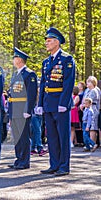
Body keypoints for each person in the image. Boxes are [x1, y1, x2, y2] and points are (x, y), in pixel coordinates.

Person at [38, 27, 75, 176]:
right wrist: (39, 104)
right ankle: (54, 164)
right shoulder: (46, 62)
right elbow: (43, 85)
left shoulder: (67, 59)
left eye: (49, 41)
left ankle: (64, 166)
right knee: (51, 136)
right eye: (46, 41)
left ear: (57, 42)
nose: (47, 43)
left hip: (60, 103)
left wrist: (64, 103)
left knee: (63, 136)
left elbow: (68, 83)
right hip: (48, 103)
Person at [7, 47, 37, 170]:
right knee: (17, 136)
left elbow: (31, 94)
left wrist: (28, 110)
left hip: (22, 109)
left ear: (20, 59)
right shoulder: (15, 74)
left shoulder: (29, 74)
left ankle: (24, 161)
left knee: (23, 136)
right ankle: (18, 158)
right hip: (14, 109)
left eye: (15, 58)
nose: (13, 60)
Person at [79, 76, 100, 146]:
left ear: (92, 82)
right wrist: (82, 105)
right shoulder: (87, 90)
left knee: (92, 127)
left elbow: (89, 100)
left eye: (88, 82)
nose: (87, 83)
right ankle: (89, 144)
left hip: (93, 109)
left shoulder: (95, 90)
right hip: (86, 110)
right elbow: (84, 99)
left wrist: (84, 105)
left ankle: (92, 144)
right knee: (87, 127)